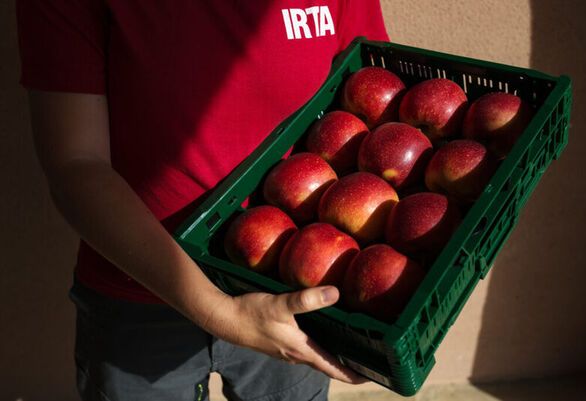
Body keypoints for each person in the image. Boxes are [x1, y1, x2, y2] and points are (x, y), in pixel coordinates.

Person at [16, 1, 389, 400]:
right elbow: (76, 166)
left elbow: (372, 94)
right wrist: (219, 312)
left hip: (290, 282)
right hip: (140, 292)